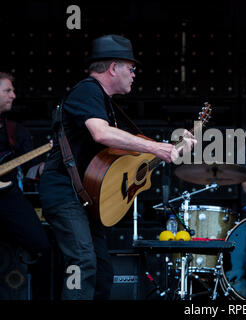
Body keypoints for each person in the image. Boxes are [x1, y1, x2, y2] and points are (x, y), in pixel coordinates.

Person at [39, 35, 196, 300]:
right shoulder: (88, 90)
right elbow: (101, 134)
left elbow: (126, 153)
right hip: (66, 193)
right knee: (83, 263)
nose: (134, 75)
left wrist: (172, 148)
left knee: (101, 271)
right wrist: (158, 147)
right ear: (114, 67)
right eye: (131, 68)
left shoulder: (103, 101)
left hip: (88, 197)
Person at [0, 72, 51, 297]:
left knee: (42, 246)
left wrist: (44, 167)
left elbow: (31, 168)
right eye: (7, 90)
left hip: (7, 197)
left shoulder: (15, 130)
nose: (14, 95)